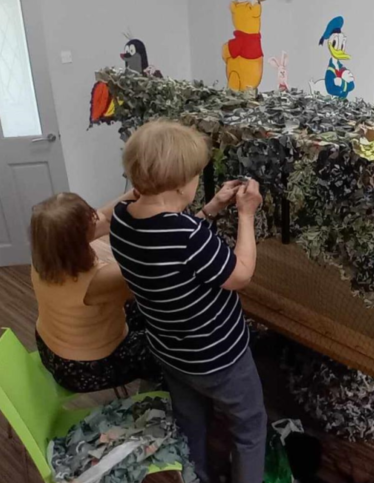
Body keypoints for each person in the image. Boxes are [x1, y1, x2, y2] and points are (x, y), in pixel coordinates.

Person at [110, 120, 265, 483]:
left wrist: (210, 208)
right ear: (181, 185)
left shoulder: (121, 220)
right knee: (250, 428)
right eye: (196, 176)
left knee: (190, 423)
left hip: (170, 351)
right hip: (218, 358)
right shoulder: (187, 235)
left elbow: (173, 251)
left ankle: (196, 476)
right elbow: (240, 274)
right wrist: (246, 214)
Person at [31, 190, 160, 393]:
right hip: (82, 369)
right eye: (89, 218)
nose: (95, 217)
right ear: (78, 240)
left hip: (49, 349)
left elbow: (104, 217)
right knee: (170, 350)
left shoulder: (48, 255)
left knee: (142, 313)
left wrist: (137, 192)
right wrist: (207, 212)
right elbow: (155, 261)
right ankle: (159, 404)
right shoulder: (97, 281)